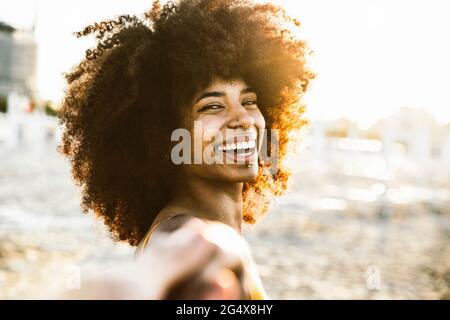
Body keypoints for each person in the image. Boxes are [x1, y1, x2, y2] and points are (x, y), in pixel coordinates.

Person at [58, 0, 314, 299]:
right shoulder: (184, 239)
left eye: (249, 101)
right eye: (213, 106)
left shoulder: (200, 229)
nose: (243, 119)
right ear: (161, 136)